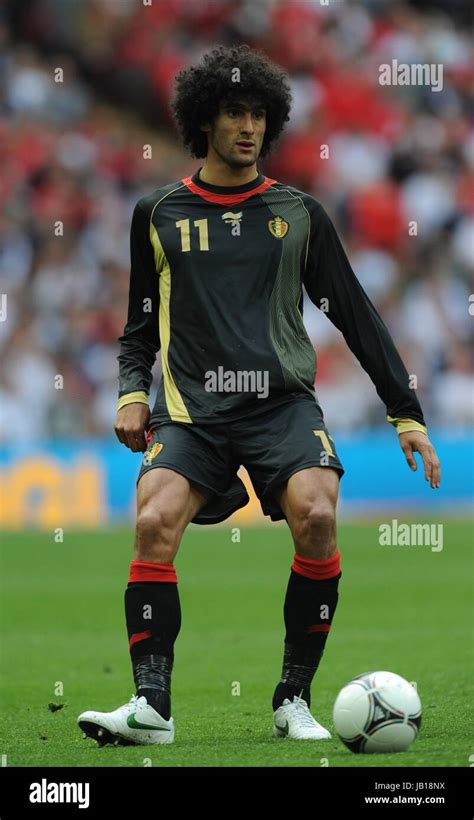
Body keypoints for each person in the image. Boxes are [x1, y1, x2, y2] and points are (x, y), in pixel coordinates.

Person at [77, 45, 440, 746]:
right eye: (234, 113)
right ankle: (151, 708)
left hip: (282, 407)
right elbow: (138, 328)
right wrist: (130, 391)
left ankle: (292, 699)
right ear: (203, 121)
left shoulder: (299, 214)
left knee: (317, 515)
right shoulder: (157, 214)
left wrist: (406, 413)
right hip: (192, 412)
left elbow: (355, 316)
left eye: (258, 115)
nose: (248, 126)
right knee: (152, 521)